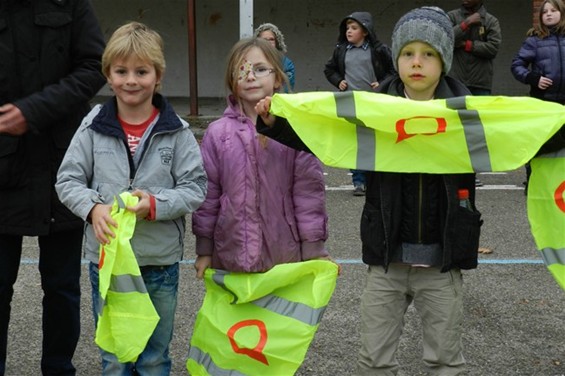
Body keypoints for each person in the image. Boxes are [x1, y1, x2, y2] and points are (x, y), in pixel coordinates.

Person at [256, 7, 482, 375]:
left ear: (445, 60)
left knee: (446, 362)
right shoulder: (374, 109)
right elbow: (327, 135)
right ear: (396, 58)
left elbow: (519, 135)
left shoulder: (470, 113)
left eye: (429, 54)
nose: (417, 63)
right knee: (373, 360)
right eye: (408, 53)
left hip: (443, 262)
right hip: (387, 258)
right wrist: (275, 123)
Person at [55, 22, 207, 375]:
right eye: (121, 71)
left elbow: (195, 187)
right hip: (107, 264)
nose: (131, 80)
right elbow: (68, 179)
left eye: (142, 71)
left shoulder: (177, 131)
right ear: (109, 75)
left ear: (158, 76)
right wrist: (93, 208)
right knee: (116, 356)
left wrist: (154, 205)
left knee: (154, 356)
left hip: (159, 263)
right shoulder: (92, 125)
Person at [0, 0, 105, 374]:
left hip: (64, 165)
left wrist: (34, 110)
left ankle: (59, 369)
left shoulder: (71, 3)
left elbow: (95, 67)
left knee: (62, 288)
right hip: (5, 165)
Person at [191, 37, 329, 277]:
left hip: (285, 256)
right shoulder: (217, 134)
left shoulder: (295, 131)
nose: (251, 76)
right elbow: (208, 197)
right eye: (241, 70)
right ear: (232, 81)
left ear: (277, 78)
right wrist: (205, 249)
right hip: (230, 255)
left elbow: (308, 195)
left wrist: (314, 250)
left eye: (260, 69)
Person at [323, 11, 395, 196]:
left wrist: (381, 84)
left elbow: (393, 72)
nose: (349, 31)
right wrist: (338, 80)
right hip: (351, 102)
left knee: (372, 142)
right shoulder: (341, 50)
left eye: (354, 28)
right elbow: (329, 69)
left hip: (373, 104)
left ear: (365, 31)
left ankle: (373, 179)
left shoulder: (378, 50)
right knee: (354, 143)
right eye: (347, 28)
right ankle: (358, 182)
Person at [511, 0, 565, 192]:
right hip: (544, 102)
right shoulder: (534, 40)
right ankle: (533, 183)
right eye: (545, 12)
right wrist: (533, 78)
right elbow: (517, 65)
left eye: (553, 10)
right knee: (539, 146)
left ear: (562, 13)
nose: (549, 14)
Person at [447, 0, 501, 188]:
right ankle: (455, 167)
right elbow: (445, 39)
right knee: (456, 127)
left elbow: (493, 48)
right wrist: (466, 24)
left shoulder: (491, 20)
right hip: (456, 81)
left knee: (477, 130)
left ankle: (472, 171)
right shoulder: (453, 16)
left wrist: (468, 45)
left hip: (480, 82)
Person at [254, 23, 296, 92]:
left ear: (277, 42)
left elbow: (286, 90)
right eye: (264, 40)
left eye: (271, 39)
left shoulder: (286, 63)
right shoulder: (249, 61)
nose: (268, 42)